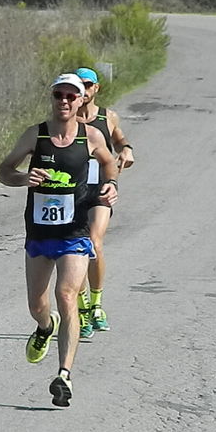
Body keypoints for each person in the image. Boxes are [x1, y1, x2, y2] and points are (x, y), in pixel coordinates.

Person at [0, 73, 119, 407]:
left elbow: (110, 165)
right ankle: (43, 327)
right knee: (38, 305)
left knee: (66, 294)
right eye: (58, 95)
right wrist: (23, 177)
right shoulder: (35, 135)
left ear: (81, 101)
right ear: (51, 98)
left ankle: (64, 374)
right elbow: (3, 171)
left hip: (74, 232)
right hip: (39, 232)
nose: (64, 102)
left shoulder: (91, 137)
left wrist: (112, 186)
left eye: (70, 96)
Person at [74, 67, 135, 338]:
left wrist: (127, 151)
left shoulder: (107, 117)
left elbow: (120, 140)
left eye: (88, 85)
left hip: (100, 189)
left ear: (96, 88)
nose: (83, 90)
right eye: (79, 85)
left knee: (94, 243)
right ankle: (81, 307)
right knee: (73, 249)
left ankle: (96, 305)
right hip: (71, 191)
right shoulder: (66, 118)